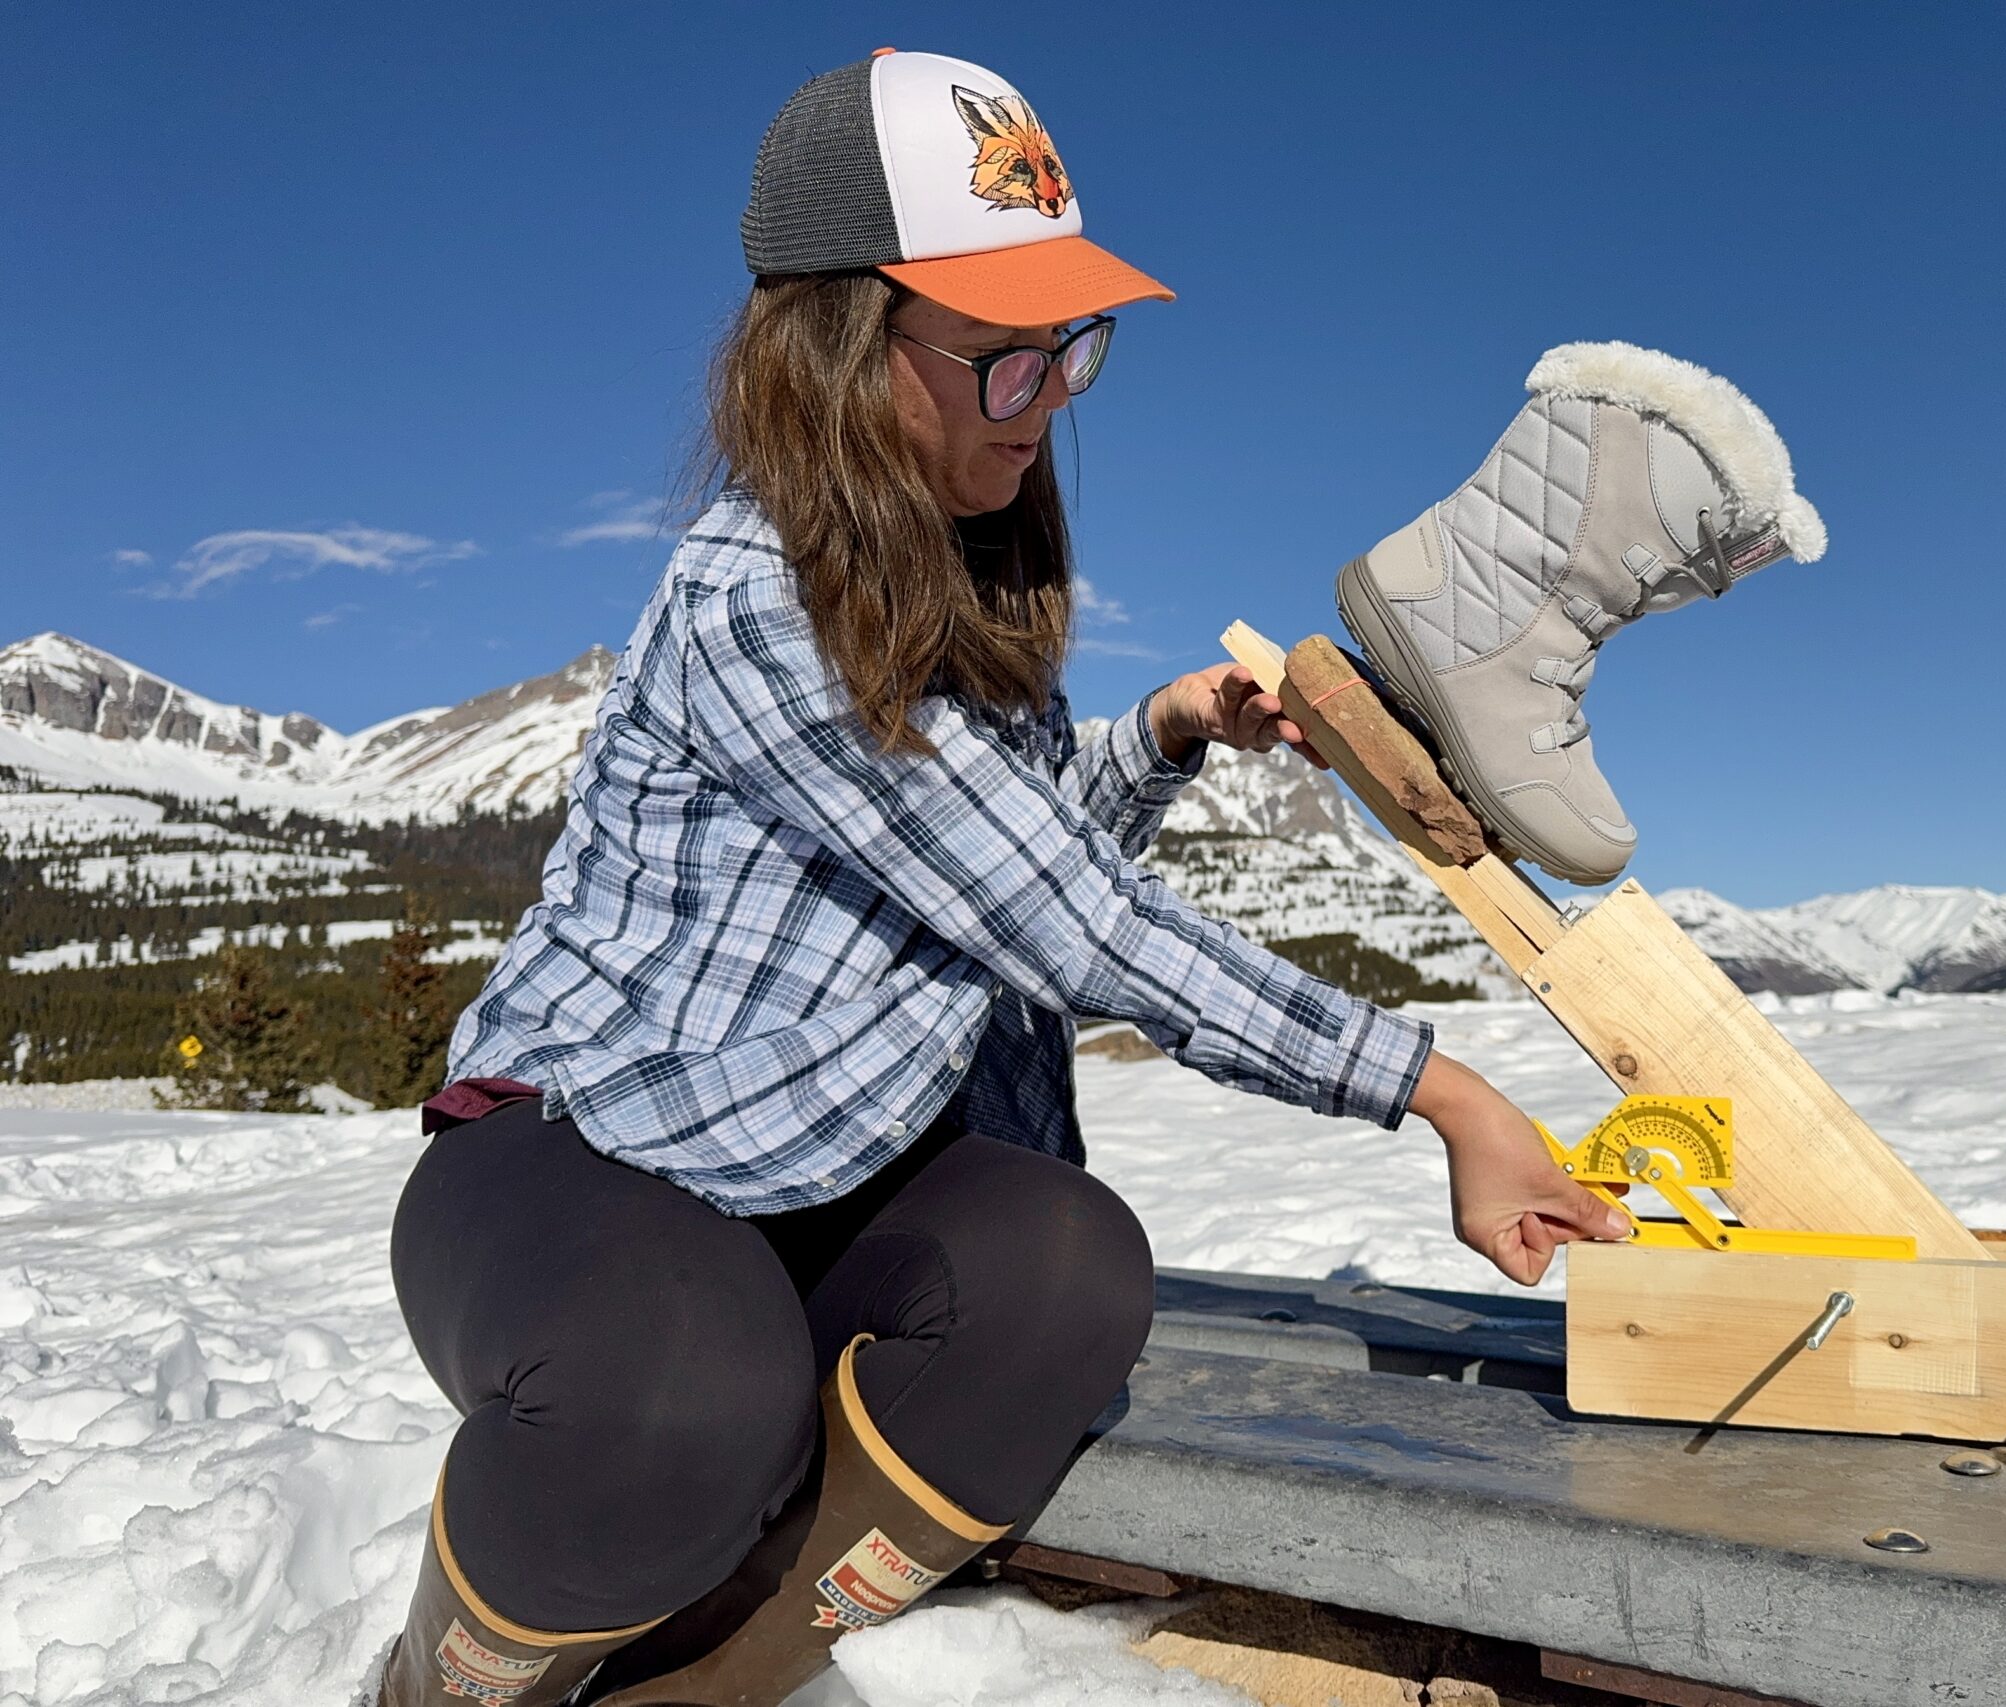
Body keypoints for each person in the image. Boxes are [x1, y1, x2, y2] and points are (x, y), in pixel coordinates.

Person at [366, 48, 1627, 1707]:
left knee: (1064, 1273)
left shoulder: (951, 601)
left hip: (816, 1176)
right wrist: (1442, 1093)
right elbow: (1056, 917)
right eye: (998, 356)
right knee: (679, 1388)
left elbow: (994, 872)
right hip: (589, 1152)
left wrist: (1163, 737)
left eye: (1065, 350)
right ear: (832, 352)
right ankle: (457, 1684)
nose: (1043, 405)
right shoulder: (759, 600)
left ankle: (717, 1676)